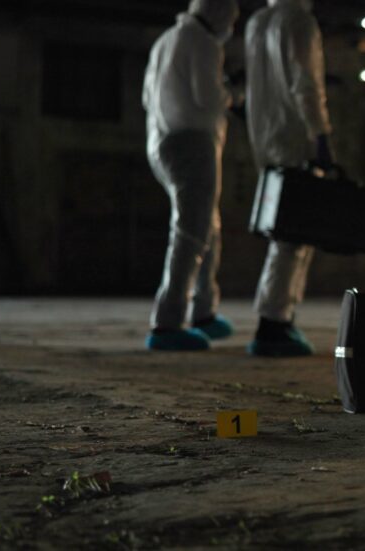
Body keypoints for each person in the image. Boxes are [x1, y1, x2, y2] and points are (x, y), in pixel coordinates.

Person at [142, 0, 240, 351]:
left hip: (160, 141)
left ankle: (204, 313)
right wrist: (232, 95)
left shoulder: (167, 39)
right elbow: (209, 98)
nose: (233, 21)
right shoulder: (203, 42)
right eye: (232, 13)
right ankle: (167, 322)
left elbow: (146, 97)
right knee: (191, 233)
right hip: (192, 144)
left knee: (205, 227)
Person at [243, 0, 334, 357]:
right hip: (295, 136)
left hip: (263, 137)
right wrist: (322, 134)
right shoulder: (298, 20)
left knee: (283, 230)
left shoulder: (257, 21)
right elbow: (306, 83)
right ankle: (273, 323)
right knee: (293, 234)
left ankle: (280, 317)